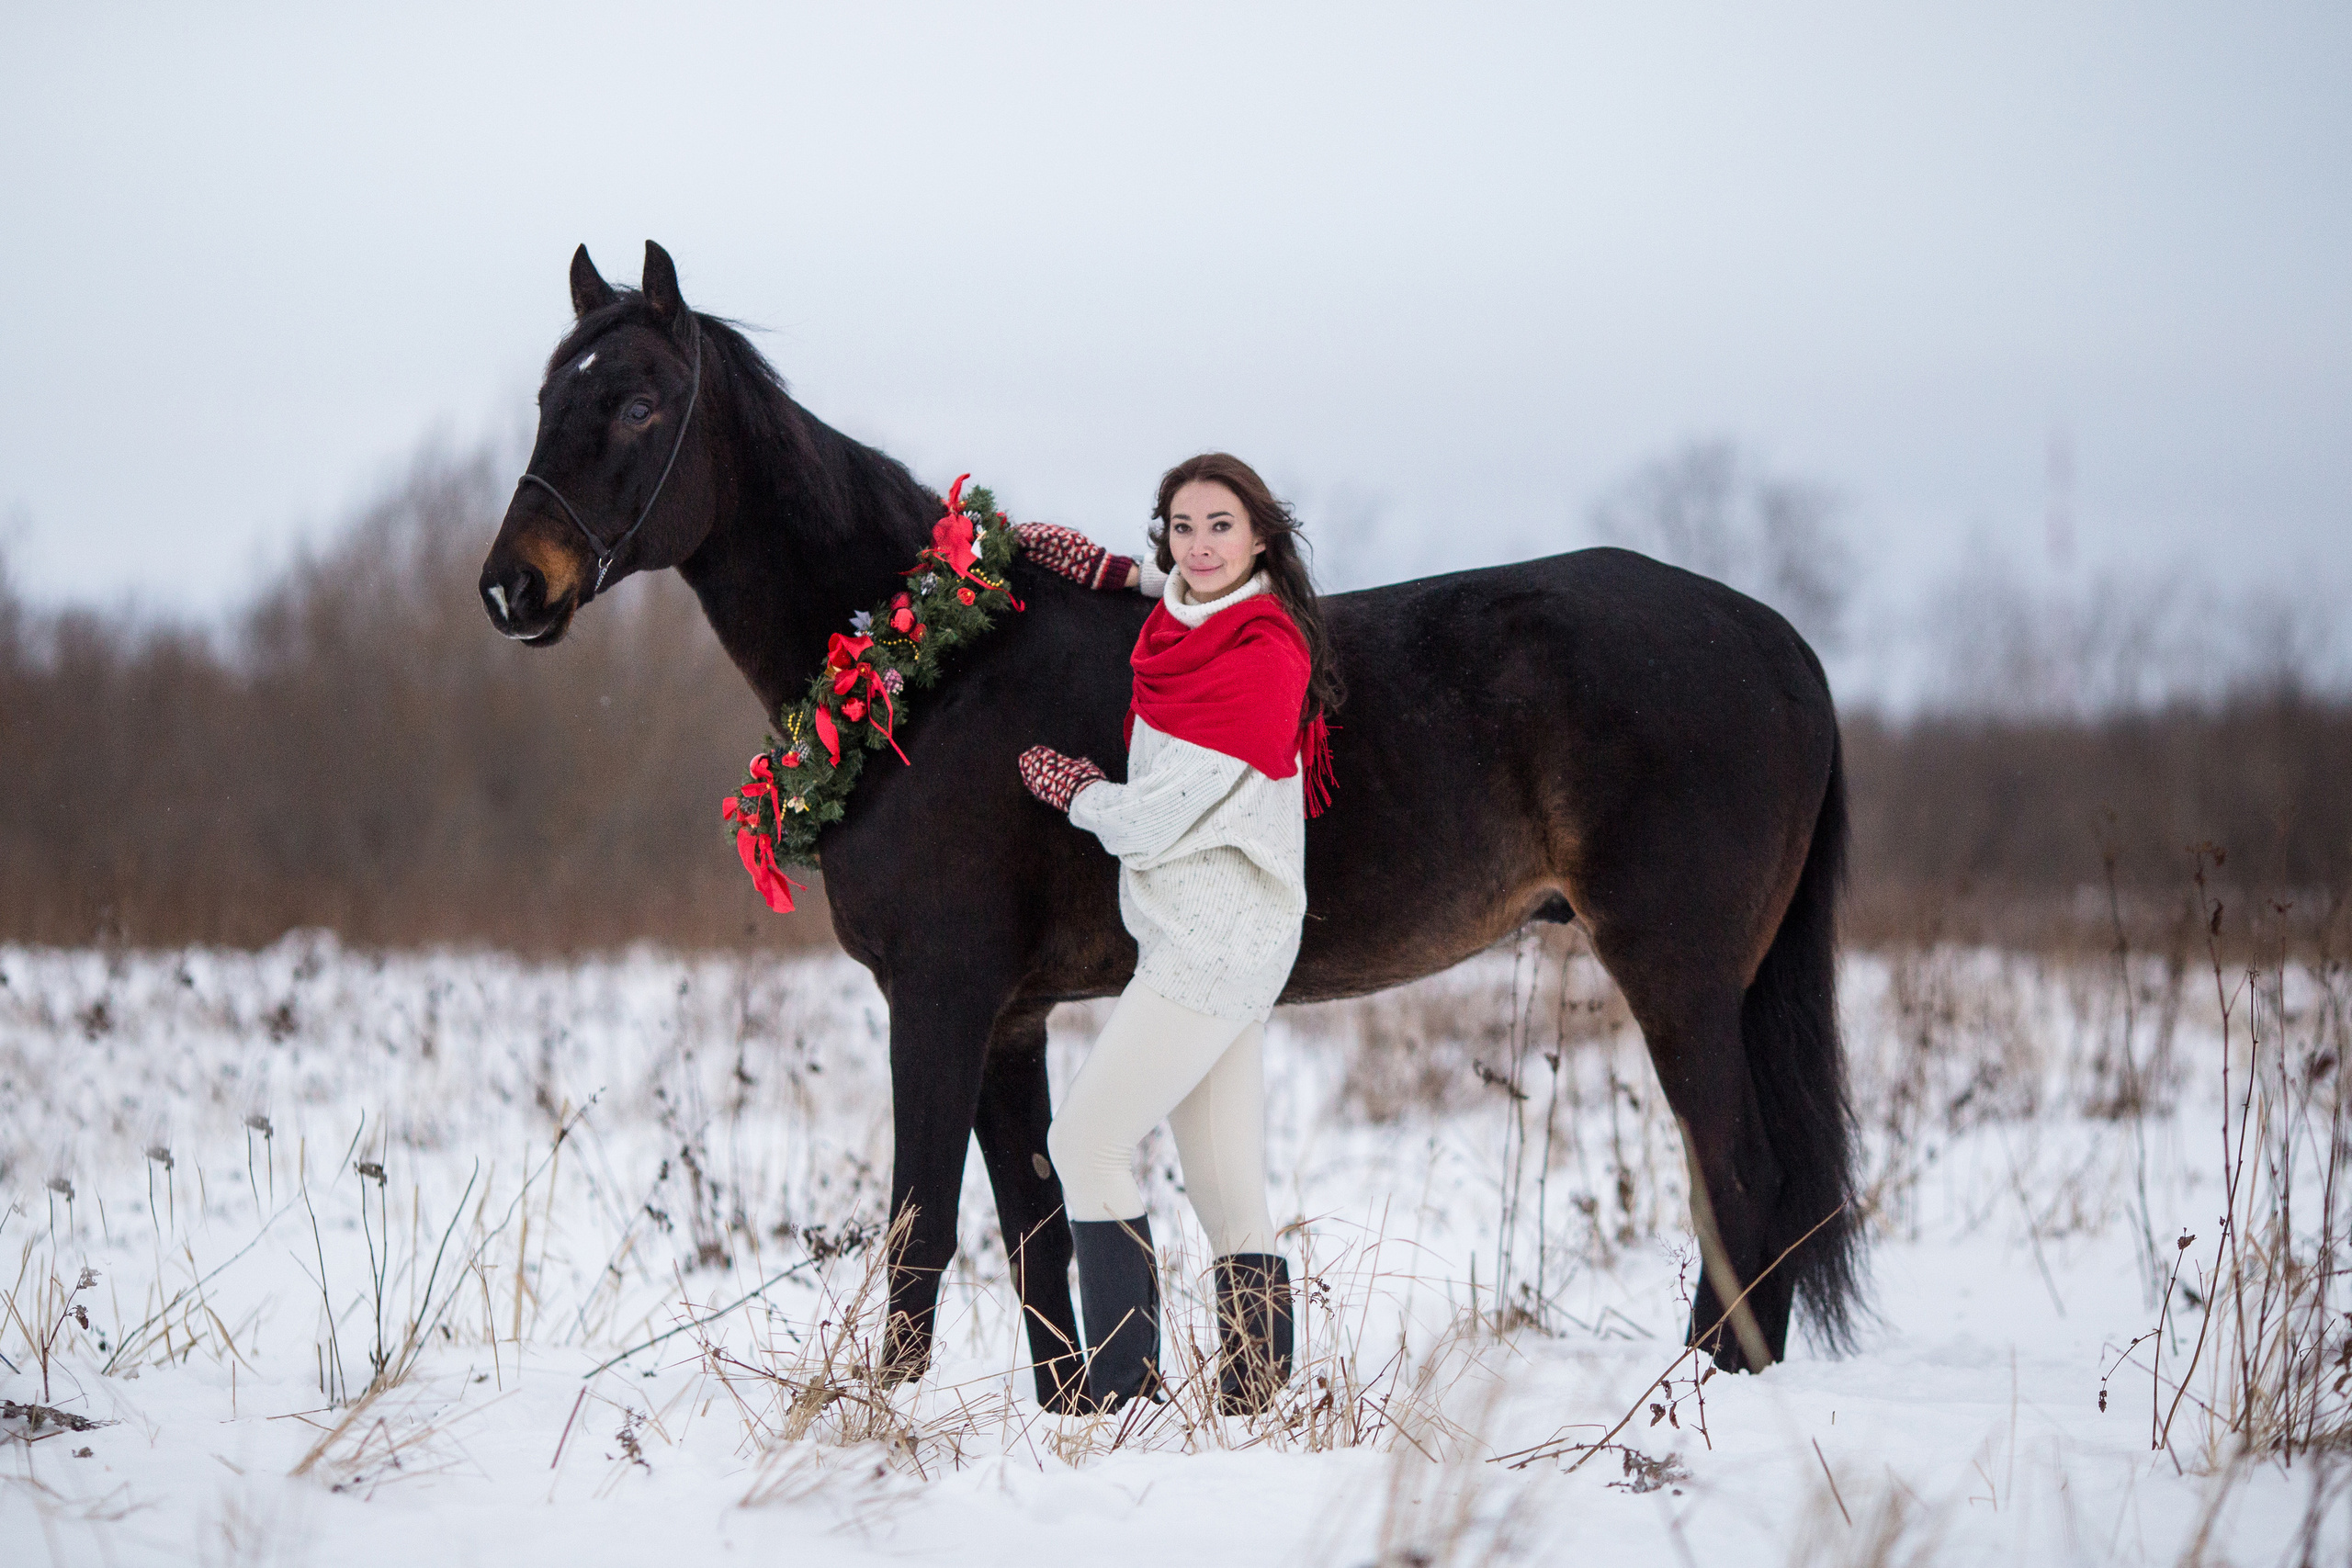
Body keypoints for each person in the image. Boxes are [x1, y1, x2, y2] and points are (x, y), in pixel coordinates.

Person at [1012, 453, 1340, 1415]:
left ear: (1262, 539)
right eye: (1181, 526)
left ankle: (1121, 1391)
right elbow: (1180, 587)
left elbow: (1155, 819)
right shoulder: (1193, 611)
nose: (1198, 546)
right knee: (1225, 1183)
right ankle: (1255, 1402)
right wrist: (1115, 572)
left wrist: (1074, 792)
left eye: (1220, 526)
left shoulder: (1264, 657)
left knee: (1084, 1142)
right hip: (1199, 931)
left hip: (1217, 938)